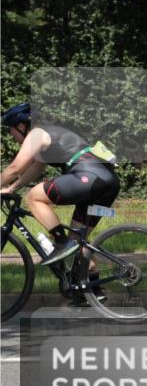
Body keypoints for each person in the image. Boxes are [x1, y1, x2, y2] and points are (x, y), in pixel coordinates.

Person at [0, 102, 120, 302]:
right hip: (107, 181)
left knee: (33, 197)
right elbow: (36, 168)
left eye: (10, 130)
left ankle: (61, 242)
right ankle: (92, 290)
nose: (11, 135)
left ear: (21, 126)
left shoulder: (37, 134)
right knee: (78, 238)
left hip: (88, 176)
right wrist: (12, 188)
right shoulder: (49, 133)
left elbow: (15, 168)